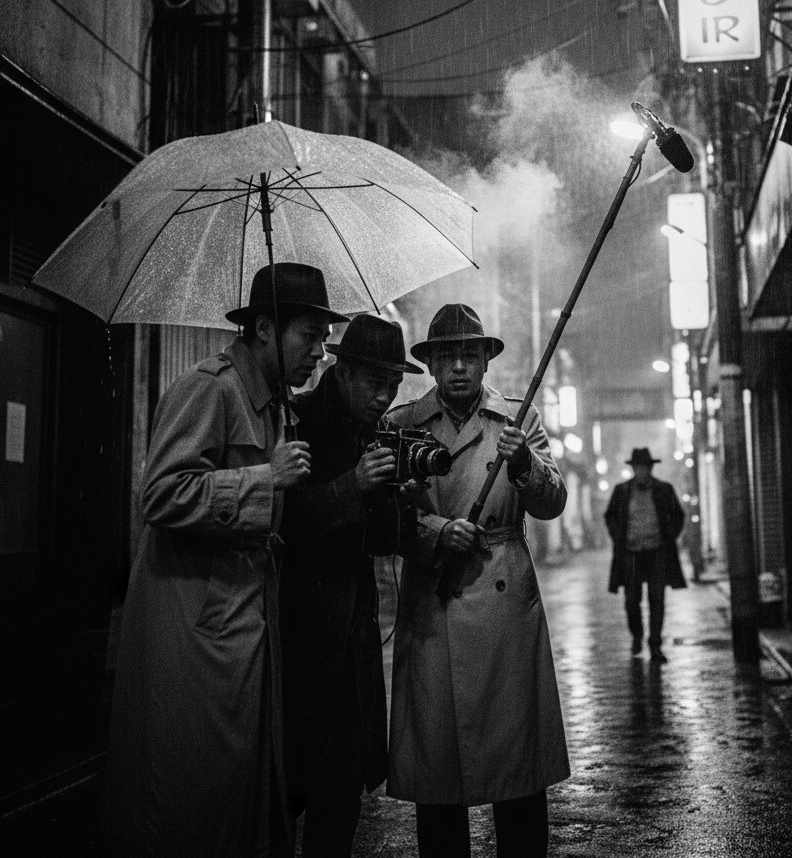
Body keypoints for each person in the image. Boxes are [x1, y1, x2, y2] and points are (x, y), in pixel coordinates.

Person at [104, 263, 344, 858]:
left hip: (243, 623)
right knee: (194, 801)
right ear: (264, 328)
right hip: (197, 629)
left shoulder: (272, 404)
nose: (320, 352)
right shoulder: (209, 386)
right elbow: (161, 494)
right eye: (309, 336)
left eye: (323, 338)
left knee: (244, 796)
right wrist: (266, 477)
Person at [386, 303, 570, 858]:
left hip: (504, 592)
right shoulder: (401, 425)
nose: (460, 366)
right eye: (448, 356)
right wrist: (436, 532)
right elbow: (388, 518)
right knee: (439, 770)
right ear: (432, 364)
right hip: (433, 599)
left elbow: (553, 502)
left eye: (470, 354)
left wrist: (523, 468)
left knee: (516, 768)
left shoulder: (518, 420)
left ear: (486, 362)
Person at [280, 313, 423, 856]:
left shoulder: (376, 433)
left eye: (392, 387)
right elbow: (285, 520)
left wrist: (399, 504)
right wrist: (353, 484)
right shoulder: (297, 423)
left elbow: (380, 541)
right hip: (302, 631)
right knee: (289, 784)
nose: (383, 397)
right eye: (374, 384)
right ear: (341, 372)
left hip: (353, 639)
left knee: (341, 792)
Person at [604, 447, 687, 663]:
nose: (641, 472)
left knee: (656, 600)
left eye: (644, 468)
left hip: (657, 552)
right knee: (632, 600)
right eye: (637, 468)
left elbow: (678, 515)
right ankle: (637, 636)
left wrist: (670, 536)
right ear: (633, 469)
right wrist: (618, 537)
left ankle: (655, 644)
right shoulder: (622, 491)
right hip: (631, 553)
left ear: (650, 468)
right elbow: (610, 516)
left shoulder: (663, 490)